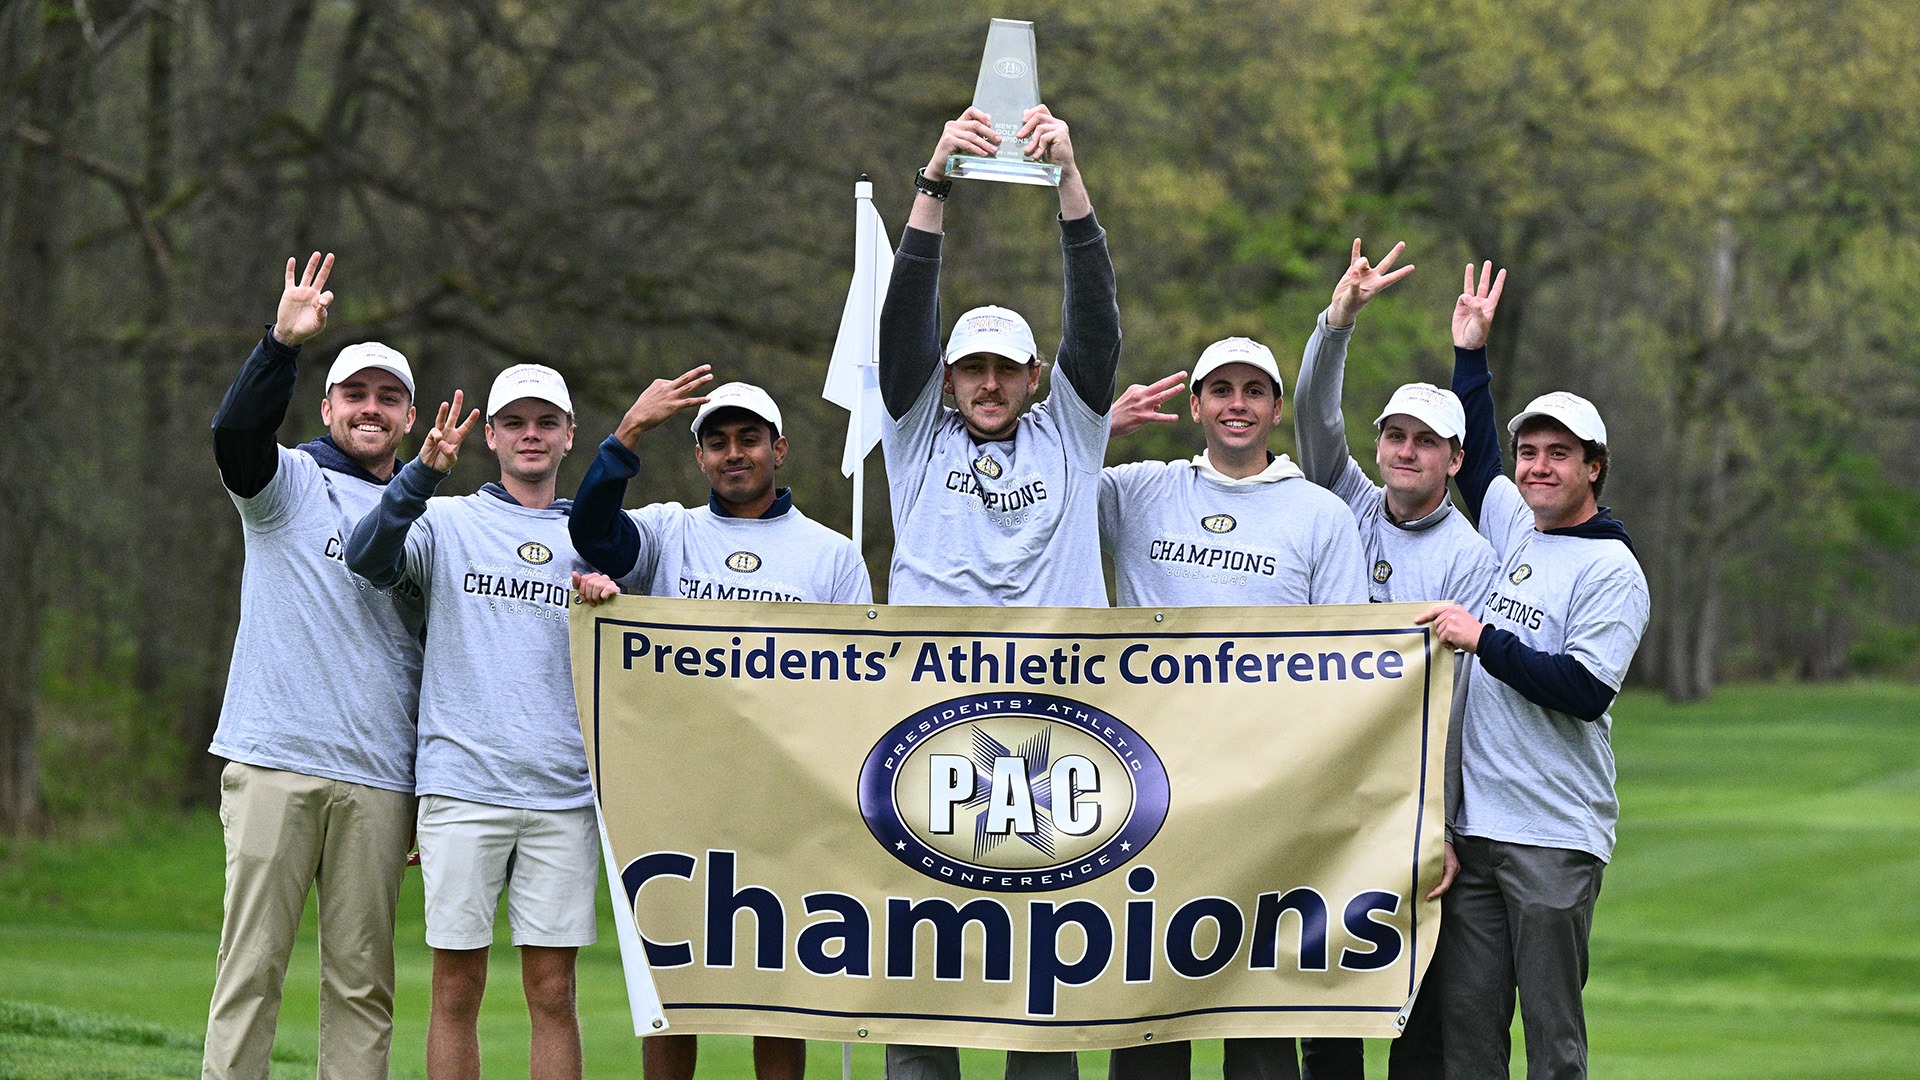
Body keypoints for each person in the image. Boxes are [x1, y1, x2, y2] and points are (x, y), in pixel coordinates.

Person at [878, 103, 1120, 1080]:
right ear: (947, 378)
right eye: (969, 366)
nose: (986, 382)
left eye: (1004, 368)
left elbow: (1095, 318)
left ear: (1032, 377)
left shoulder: (1074, 428)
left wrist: (1069, 180)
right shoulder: (913, 433)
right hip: (925, 728)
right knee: (925, 964)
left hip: (1059, 735)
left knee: (1040, 986)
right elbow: (905, 313)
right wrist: (933, 178)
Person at [568, 372, 873, 1080]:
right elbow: (590, 532)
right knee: (675, 993)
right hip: (680, 800)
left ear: (780, 448)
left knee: (778, 996)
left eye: (748, 440)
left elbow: (858, 683)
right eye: (717, 442)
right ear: (700, 456)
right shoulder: (669, 531)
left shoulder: (830, 554)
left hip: (785, 803)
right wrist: (628, 433)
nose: (733, 454)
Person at [1099, 335, 1371, 1080]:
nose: (1238, 405)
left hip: (1266, 796)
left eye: (1255, 391)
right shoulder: (1139, 491)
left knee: (1257, 1017)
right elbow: (1035, 495)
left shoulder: (1319, 515)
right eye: (1222, 390)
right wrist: (1095, 429)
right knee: (1147, 1012)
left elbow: (1347, 670)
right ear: (1195, 405)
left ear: (1277, 409)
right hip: (1149, 796)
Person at [345, 363, 618, 1080]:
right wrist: (422, 475)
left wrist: (607, 594)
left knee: (553, 992)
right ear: (491, 435)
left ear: (568, 437)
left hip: (563, 795)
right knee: (456, 988)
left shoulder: (597, 538)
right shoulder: (447, 519)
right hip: (462, 789)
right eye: (517, 423)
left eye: (547, 423)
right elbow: (367, 559)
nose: (532, 435)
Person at [1415, 264, 1650, 1080]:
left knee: (1554, 1048)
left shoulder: (1613, 570)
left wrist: (1484, 640)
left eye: (1559, 454)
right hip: (1478, 836)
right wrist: (1468, 356)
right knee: (1469, 1041)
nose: (1538, 467)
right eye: (1530, 452)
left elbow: (1584, 691)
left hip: (1553, 837)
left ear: (1595, 466)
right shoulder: (1520, 527)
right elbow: (1475, 456)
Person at [203, 252, 423, 1080]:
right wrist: (280, 345)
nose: (371, 410)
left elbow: (440, 663)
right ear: (328, 405)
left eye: (388, 399)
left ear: (408, 418)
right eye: (356, 395)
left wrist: (426, 783)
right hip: (273, 763)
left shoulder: (426, 519)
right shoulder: (284, 486)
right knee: (250, 971)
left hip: (376, 781)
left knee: (362, 986)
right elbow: (234, 437)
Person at [1291, 241, 1499, 1078]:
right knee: (1324, 996)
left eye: (1426, 441)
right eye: (1395, 435)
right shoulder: (1344, 501)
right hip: (1328, 786)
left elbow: (1457, 704)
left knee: (1416, 1010)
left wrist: (1438, 822)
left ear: (1454, 458)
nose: (1405, 451)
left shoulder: (1471, 556)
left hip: (1412, 801)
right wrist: (1338, 321)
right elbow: (1314, 417)